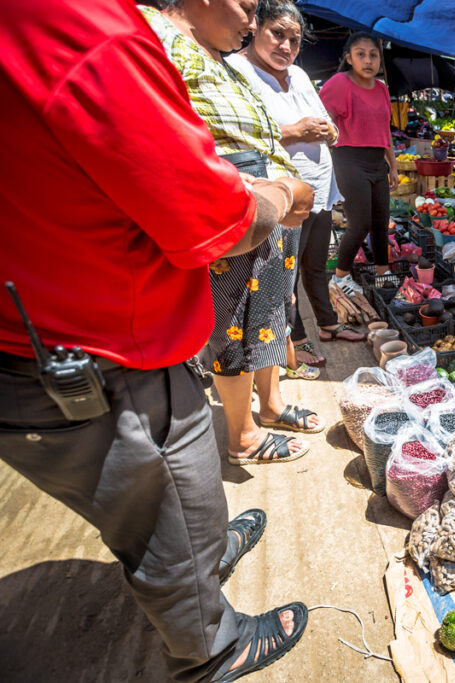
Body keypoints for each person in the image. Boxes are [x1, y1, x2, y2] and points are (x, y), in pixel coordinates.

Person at [0, 0, 314, 680]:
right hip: (101, 351)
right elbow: (215, 218)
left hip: (57, 328)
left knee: (176, 492)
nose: (255, 12)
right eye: (251, 6)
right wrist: (278, 192)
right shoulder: (89, 33)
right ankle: (210, 645)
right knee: (164, 494)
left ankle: (203, 554)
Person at [143, 0, 327, 466]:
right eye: (246, 7)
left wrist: (285, 191)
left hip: (271, 204)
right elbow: (166, 136)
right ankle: (241, 434)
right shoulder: (157, 38)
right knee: (233, 318)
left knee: (268, 311)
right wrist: (258, 189)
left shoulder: (218, 58)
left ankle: (270, 405)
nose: (250, 20)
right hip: (233, 203)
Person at [227, 1, 363, 372]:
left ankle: (328, 323)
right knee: (279, 275)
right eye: (277, 34)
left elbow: (325, 121)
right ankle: (294, 340)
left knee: (314, 264)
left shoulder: (300, 76)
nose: (286, 46)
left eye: (295, 39)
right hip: (278, 195)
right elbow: (238, 136)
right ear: (256, 28)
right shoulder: (237, 70)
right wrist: (294, 132)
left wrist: (329, 130)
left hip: (317, 191)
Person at [320, 32, 400, 296]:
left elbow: (385, 130)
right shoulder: (339, 83)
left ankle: (382, 273)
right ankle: (340, 277)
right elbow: (322, 120)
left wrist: (394, 165)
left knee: (381, 221)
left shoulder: (381, 89)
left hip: (378, 162)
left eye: (373, 55)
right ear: (349, 58)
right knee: (360, 222)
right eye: (361, 54)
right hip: (349, 158)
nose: (368, 60)